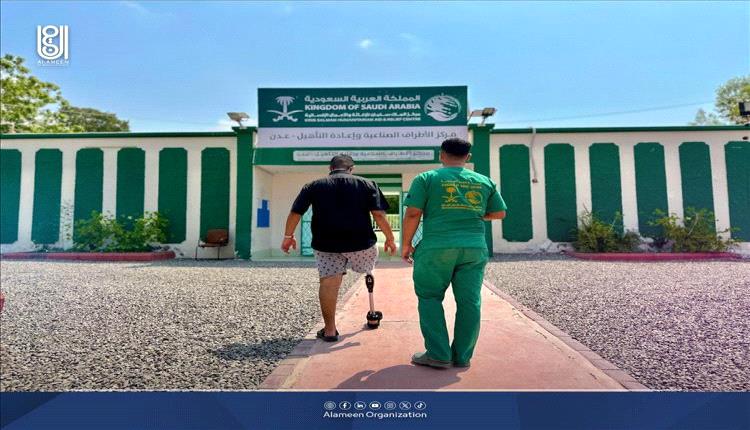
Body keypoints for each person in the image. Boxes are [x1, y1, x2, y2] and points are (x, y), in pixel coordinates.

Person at [402, 138, 507, 369]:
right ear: (467, 157)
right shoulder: (485, 181)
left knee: (430, 297)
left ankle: (438, 354)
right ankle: (462, 357)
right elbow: (499, 213)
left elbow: (413, 213)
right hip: (474, 248)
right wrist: (477, 215)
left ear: (441, 155)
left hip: (436, 248)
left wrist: (406, 244)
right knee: (470, 301)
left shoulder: (426, 178)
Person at [281, 154, 397, 342]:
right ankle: (372, 312)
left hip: (326, 245)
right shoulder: (367, 184)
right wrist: (390, 239)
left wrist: (288, 237)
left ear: (330, 168)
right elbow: (378, 214)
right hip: (362, 244)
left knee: (329, 282)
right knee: (368, 270)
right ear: (352, 169)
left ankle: (329, 331)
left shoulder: (313, 186)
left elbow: (296, 212)